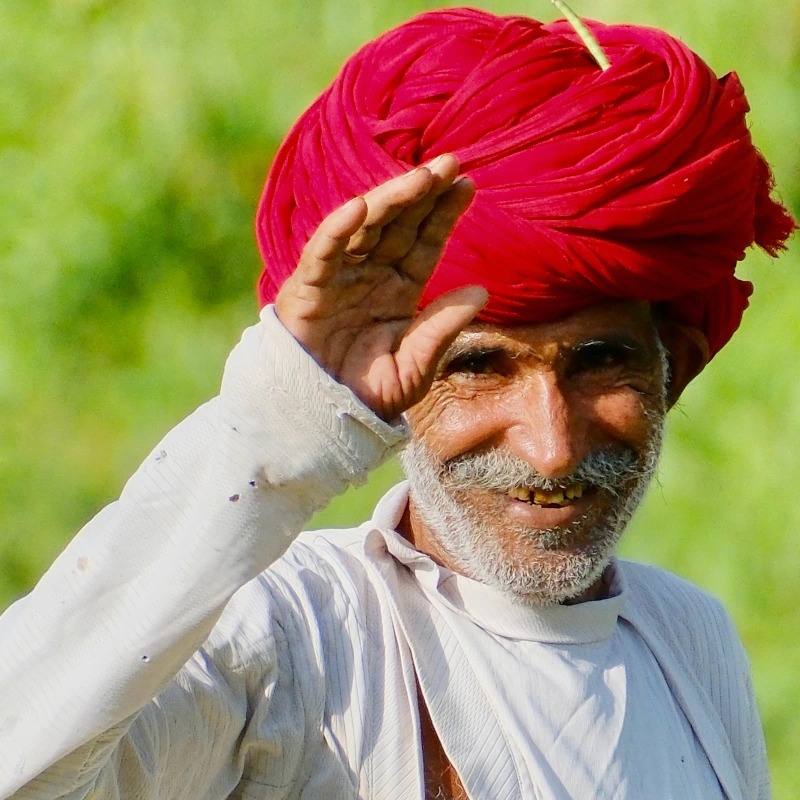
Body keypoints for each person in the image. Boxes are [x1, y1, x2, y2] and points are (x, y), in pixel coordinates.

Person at [0, 8, 795, 800]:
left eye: (600, 363)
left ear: (675, 371)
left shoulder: (688, 640)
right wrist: (285, 425)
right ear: (396, 386)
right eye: (479, 366)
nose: (552, 446)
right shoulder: (294, 631)